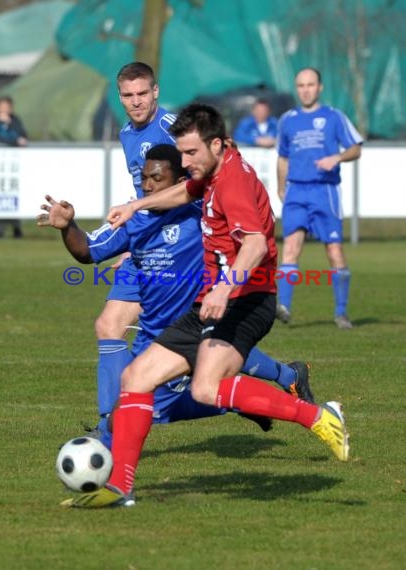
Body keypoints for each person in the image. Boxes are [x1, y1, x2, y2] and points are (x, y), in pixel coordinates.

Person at [60, 105, 349, 509]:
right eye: (183, 153)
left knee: (206, 387)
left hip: (245, 300)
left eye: (192, 154)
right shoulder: (211, 170)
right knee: (136, 378)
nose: (186, 162)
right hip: (216, 299)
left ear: (216, 144)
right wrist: (136, 207)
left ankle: (317, 417)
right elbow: (184, 191)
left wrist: (222, 289)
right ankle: (120, 488)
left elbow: (256, 245)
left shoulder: (232, 183)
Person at [38, 144, 313, 449]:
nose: (148, 185)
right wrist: (67, 227)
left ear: (182, 181)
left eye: (156, 179)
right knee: (162, 403)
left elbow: (246, 236)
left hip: (194, 322)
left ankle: (104, 444)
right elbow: (88, 251)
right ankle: (254, 394)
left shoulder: (202, 215)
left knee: (143, 406)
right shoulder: (135, 217)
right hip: (153, 333)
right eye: (144, 178)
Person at [93, 62, 176, 439]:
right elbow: (145, 193)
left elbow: (197, 188)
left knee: (204, 348)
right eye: (128, 95)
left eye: (143, 93)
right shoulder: (128, 134)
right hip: (144, 246)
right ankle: (109, 427)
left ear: (156, 91)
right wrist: (132, 240)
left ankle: (285, 376)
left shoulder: (175, 130)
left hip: (178, 249)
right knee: (108, 325)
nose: (136, 101)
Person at [276, 67, 363, 329]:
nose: (305, 90)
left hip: (324, 191)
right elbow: (282, 157)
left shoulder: (334, 117)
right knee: (290, 248)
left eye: (310, 84)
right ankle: (284, 307)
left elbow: (356, 147)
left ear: (320, 87)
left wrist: (337, 157)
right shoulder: (287, 120)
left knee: (334, 251)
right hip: (296, 191)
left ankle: (341, 312)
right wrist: (281, 188)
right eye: (301, 85)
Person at [0, 95, 27, 239]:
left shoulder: (15, 121)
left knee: (12, 195)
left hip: (12, 167)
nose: (5, 109)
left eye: (7, 106)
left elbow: (22, 137)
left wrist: (10, 126)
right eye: (2, 106)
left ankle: (16, 229)